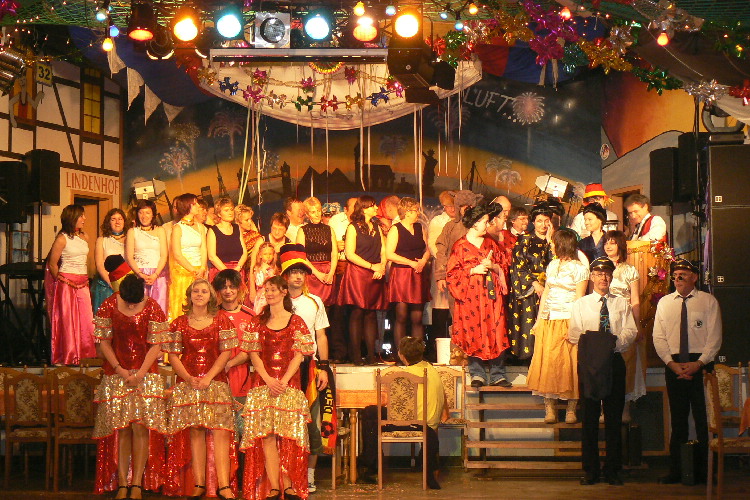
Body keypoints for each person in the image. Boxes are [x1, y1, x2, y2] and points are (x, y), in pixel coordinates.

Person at [92, 274, 169, 499]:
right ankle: (123, 483)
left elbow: (157, 344)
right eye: (128, 303)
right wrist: (120, 370)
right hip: (118, 375)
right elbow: (104, 343)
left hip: (145, 375)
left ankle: (137, 483)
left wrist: (140, 373)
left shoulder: (152, 307)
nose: (132, 306)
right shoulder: (109, 305)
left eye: (136, 302)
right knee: (123, 430)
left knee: (140, 429)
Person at [238, 276, 314, 500]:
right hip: (263, 386)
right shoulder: (257, 322)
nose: (269, 293)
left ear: (284, 292)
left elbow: (299, 355)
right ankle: (273, 486)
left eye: (273, 289)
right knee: (268, 436)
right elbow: (253, 354)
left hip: (288, 386)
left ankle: (288, 485)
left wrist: (284, 380)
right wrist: (268, 380)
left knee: (288, 436)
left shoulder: (296, 321)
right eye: (267, 290)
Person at [163, 279, 238, 499]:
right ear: (189, 296)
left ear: (211, 296)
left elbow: (226, 352)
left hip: (215, 382)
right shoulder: (178, 323)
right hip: (189, 384)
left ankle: (224, 486)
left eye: (204, 291)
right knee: (195, 431)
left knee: (221, 433)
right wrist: (188, 378)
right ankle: (199, 483)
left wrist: (208, 377)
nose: (199, 294)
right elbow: (173, 355)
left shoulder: (222, 320)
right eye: (195, 291)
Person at [568, 257, 637, 486]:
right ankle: (590, 470)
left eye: (607, 273)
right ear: (591, 277)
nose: (603, 278)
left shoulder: (622, 303)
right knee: (589, 418)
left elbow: (630, 331)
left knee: (613, 418)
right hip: (590, 364)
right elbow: (574, 333)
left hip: (614, 361)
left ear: (612, 276)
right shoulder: (581, 304)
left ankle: (613, 470)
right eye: (598, 274)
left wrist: (610, 345)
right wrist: (599, 345)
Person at [653, 258, 721, 485]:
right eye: (675, 275)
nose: (678, 278)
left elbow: (714, 338)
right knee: (678, 419)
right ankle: (677, 471)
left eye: (683, 274)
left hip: (700, 365)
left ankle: (706, 472)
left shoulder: (708, 301)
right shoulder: (665, 303)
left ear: (694, 277)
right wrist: (671, 364)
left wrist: (698, 363)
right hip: (674, 365)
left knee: (704, 419)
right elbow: (658, 337)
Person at [358, 336, 444, 489]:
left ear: (401, 355)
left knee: (370, 413)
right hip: (429, 423)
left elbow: (395, 404)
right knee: (374, 415)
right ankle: (371, 463)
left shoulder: (403, 376)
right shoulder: (431, 369)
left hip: (413, 421)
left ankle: (370, 465)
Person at [278, 244, 331, 493]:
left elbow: (321, 336)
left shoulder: (315, 301)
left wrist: (323, 367)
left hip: (308, 368)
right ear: (285, 275)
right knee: (283, 422)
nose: (298, 276)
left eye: (301, 272)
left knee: (311, 422)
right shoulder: (275, 301)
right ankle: (282, 476)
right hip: (281, 369)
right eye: (293, 271)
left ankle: (308, 476)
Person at [527, 229, 589, 424]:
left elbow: (579, 298)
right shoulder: (553, 265)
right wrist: (539, 320)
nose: (551, 246)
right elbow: (546, 293)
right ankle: (550, 408)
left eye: (554, 243)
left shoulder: (579, 268)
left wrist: (575, 325)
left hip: (567, 318)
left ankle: (571, 409)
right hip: (549, 317)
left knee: (568, 363)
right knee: (548, 361)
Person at [447, 204, 511, 387]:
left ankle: (498, 374)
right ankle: (477, 374)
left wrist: (493, 267)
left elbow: (504, 266)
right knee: (473, 331)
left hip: (491, 298)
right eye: (484, 221)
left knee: (496, 330)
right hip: (471, 299)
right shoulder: (460, 247)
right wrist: (472, 270)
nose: (487, 225)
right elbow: (451, 274)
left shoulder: (491, 243)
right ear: (475, 223)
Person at [337, 195, 387, 365]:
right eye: (373, 206)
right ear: (364, 208)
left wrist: (381, 267)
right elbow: (350, 254)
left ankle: (371, 355)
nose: (376, 208)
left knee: (371, 313)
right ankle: (356, 355)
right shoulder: (353, 227)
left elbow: (383, 250)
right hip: (358, 274)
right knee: (357, 312)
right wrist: (372, 267)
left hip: (375, 274)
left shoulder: (376, 226)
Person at [45, 204, 96, 365]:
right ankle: (67, 356)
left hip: (83, 282)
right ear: (72, 217)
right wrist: (62, 281)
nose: (84, 219)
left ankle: (85, 355)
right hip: (67, 283)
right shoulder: (62, 238)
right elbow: (52, 264)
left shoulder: (85, 237)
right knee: (68, 320)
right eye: (81, 216)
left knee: (86, 320)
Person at [603, 230, 645, 419]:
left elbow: (635, 300)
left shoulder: (629, 270)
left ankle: (625, 406)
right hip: (605, 319)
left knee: (627, 363)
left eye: (612, 242)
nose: (608, 246)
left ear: (620, 245)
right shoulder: (600, 267)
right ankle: (604, 406)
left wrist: (637, 325)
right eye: (606, 243)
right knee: (604, 363)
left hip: (624, 320)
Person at [507, 202, 554, 362]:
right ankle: (527, 360)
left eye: (546, 221)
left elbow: (557, 262)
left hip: (550, 290)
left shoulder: (555, 241)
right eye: (539, 221)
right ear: (533, 222)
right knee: (528, 326)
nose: (543, 225)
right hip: (529, 290)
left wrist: (551, 241)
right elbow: (518, 266)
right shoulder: (525, 240)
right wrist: (535, 284)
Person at [386, 197, 431, 353]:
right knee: (401, 315)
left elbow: (427, 249)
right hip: (401, 275)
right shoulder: (396, 229)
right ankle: (401, 354)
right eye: (415, 210)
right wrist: (410, 263)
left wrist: (423, 260)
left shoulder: (419, 228)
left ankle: (417, 354)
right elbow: (389, 254)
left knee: (417, 317)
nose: (417, 213)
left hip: (417, 274)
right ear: (406, 212)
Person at [213, 269, 255, 402]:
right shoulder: (212, 315)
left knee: (240, 414)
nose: (228, 291)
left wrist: (230, 364)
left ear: (238, 288)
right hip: (215, 378)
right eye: (223, 287)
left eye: (231, 287)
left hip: (242, 378)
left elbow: (252, 350)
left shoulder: (251, 316)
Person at [434, 190, 483, 297]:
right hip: (456, 278)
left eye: (469, 205)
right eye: (462, 205)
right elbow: (441, 251)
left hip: (478, 278)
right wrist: (441, 276)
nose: (466, 208)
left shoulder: (482, 227)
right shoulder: (450, 227)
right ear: (458, 207)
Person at [125, 199, 169, 315]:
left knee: (158, 310)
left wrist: (155, 274)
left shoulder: (160, 230)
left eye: (147, 212)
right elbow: (129, 257)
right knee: (139, 310)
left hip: (158, 275)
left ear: (153, 214)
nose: (144, 216)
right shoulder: (132, 231)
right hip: (139, 275)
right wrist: (141, 274)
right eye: (141, 212)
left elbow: (164, 255)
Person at [169, 193, 207, 321]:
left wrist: (202, 268)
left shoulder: (200, 227)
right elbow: (177, 254)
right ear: (187, 206)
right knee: (184, 305)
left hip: (200, 271)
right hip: (184, 272)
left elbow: (203, 248)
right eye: (195, 204)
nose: (198, 206)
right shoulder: (178, 228)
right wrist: (193, 270)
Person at [296, 197, 338, 306]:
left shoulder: (329, 229)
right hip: (311, 274)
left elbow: (334, 254)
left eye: (318, 211)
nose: (317, 214)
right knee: (312, 306)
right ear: (307, 214)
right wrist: (317, 273)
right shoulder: (302, 230)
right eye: (313, 212)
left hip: (328, 273)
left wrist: (331, 273)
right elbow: (301, 256)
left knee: (329, 308)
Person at [427, 191, 456, 344]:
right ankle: (436, 346)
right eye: (448, 206)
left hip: (457, 269)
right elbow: (433, 245)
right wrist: (444, 262)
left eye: (454, 206)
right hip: (442, 267)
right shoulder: (438, 221)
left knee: (455, 308)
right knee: (440, 306)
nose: (452, 209)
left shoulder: (462, 221)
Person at [92, 208, 127, 312]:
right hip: (106, 286)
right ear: (108, 222)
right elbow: (99, 265)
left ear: (124, 221)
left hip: (126, 286)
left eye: (120, 219)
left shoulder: (130, 239)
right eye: (113, 219)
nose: (117, 222)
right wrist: (113, 284)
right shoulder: (102, 240)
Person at [208, 197, 248, 283]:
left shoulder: (237, 228)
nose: (230, 213)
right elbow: (212, 256)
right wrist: (228, 273)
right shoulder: (213, 230)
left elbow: (244, 252)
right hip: (221, 274)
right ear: (219, 214)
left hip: (238, 272)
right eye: (226, 210)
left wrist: (238, 268)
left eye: (231, 209)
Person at [236, 204, 264, 278]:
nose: (249, 222)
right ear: (238, 221)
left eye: (250, 219)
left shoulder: (254, 234)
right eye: (246, 220)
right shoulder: (236, 237)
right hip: (245, 270)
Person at [251, 242, 278, 313]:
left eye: (270, 254)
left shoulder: (274, 269)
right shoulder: (257, 268)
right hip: (261, 298)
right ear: (260, 255)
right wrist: (264, 272)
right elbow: (259, 283)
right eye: (265, 254)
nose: (268, 256)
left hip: (272, 296)